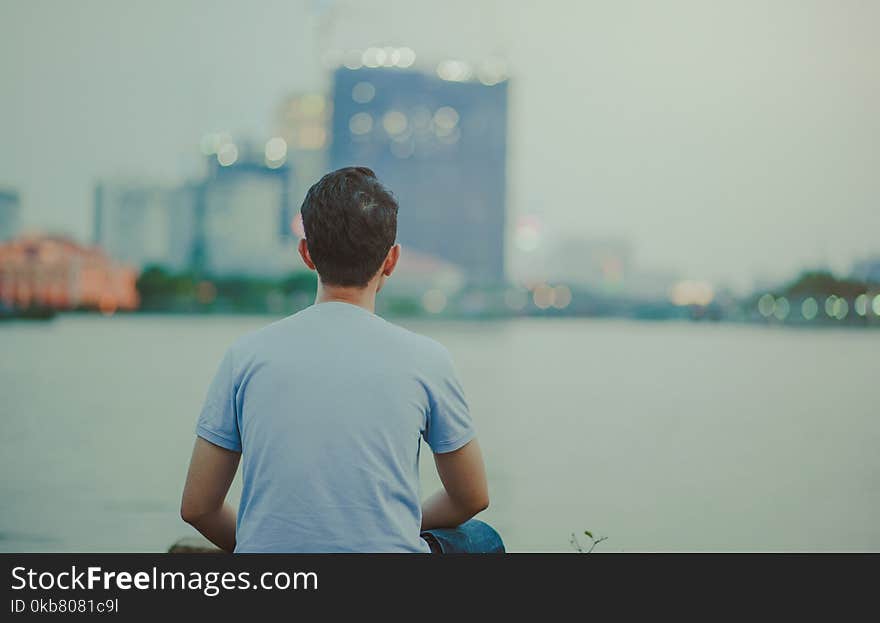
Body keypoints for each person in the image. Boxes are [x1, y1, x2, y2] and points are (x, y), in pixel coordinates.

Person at [180, 166, 503, 553]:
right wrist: (390, 522)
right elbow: (471, 497)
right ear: (392, 260)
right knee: (482, 539)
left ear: (306, 253)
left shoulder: (245, 356)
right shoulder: (427, 360)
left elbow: (198, 507)